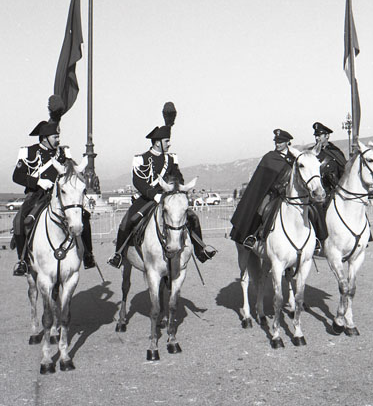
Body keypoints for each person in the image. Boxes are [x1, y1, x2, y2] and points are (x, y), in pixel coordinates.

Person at [107, 110, 217, 268]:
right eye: (167, 141)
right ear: (157, 142)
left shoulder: (171, 159)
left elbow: (178, 177)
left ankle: (200, 250)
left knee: (193, 218)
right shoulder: (141, 158)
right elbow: (138, 181)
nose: (169, 144)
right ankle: (118, 254)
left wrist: (177, 190)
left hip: (168, 198)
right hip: (147, 198)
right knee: (128, 221)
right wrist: (154, 195)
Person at [12, 97, 96, 276]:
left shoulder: (63, 152)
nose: (58, 139)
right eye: (55, 137)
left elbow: (73, 172)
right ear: (45, 138)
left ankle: (88, 254)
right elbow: (16, 176)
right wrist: (37, 182)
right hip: (36, 195)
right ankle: (23, 260)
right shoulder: (28, 152)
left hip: (60, 195)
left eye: (58, 136)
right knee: (18, 222)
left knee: (84, 217)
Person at [230, 128, 295, 249]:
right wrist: (276, 187)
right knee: (262, 208)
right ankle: (253, 235)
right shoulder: (269, 157)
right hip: (273, 194)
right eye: (276, 142)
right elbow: (262, 180)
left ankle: (315, 237)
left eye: (280, 142)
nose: (277, 144)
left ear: (287, 142)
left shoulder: (294, 159)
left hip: (290, 194)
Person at [308, 121, 347, 252]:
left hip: (334, 190)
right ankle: (319, 239)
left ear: (327, 136)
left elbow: (344, 173)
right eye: (316, 136)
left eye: (320, 135)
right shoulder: (311, 153)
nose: (317, 138)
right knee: (315, 210)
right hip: (318, 192)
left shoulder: (336, 152)